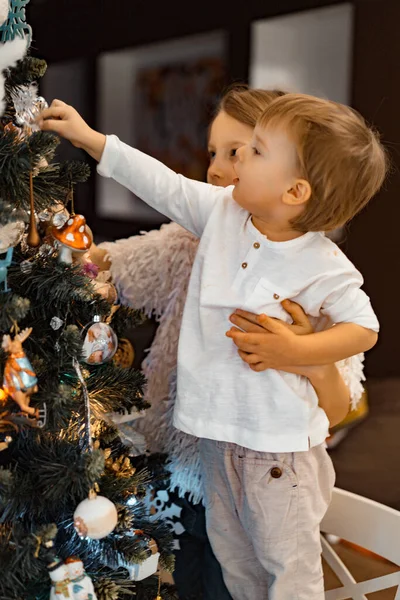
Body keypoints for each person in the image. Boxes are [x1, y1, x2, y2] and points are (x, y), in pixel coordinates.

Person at [39, 90, 386, 599]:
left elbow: (364, 329)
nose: (233, 162)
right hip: (212, 442)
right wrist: (92, 140)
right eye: (223, 151)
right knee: (236, 567)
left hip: (279, 454)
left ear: (294, 192)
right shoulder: (222, 215)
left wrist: (299, 353)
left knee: (289, 574)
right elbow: (162, 184)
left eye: (253, 150)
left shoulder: (322, 265)